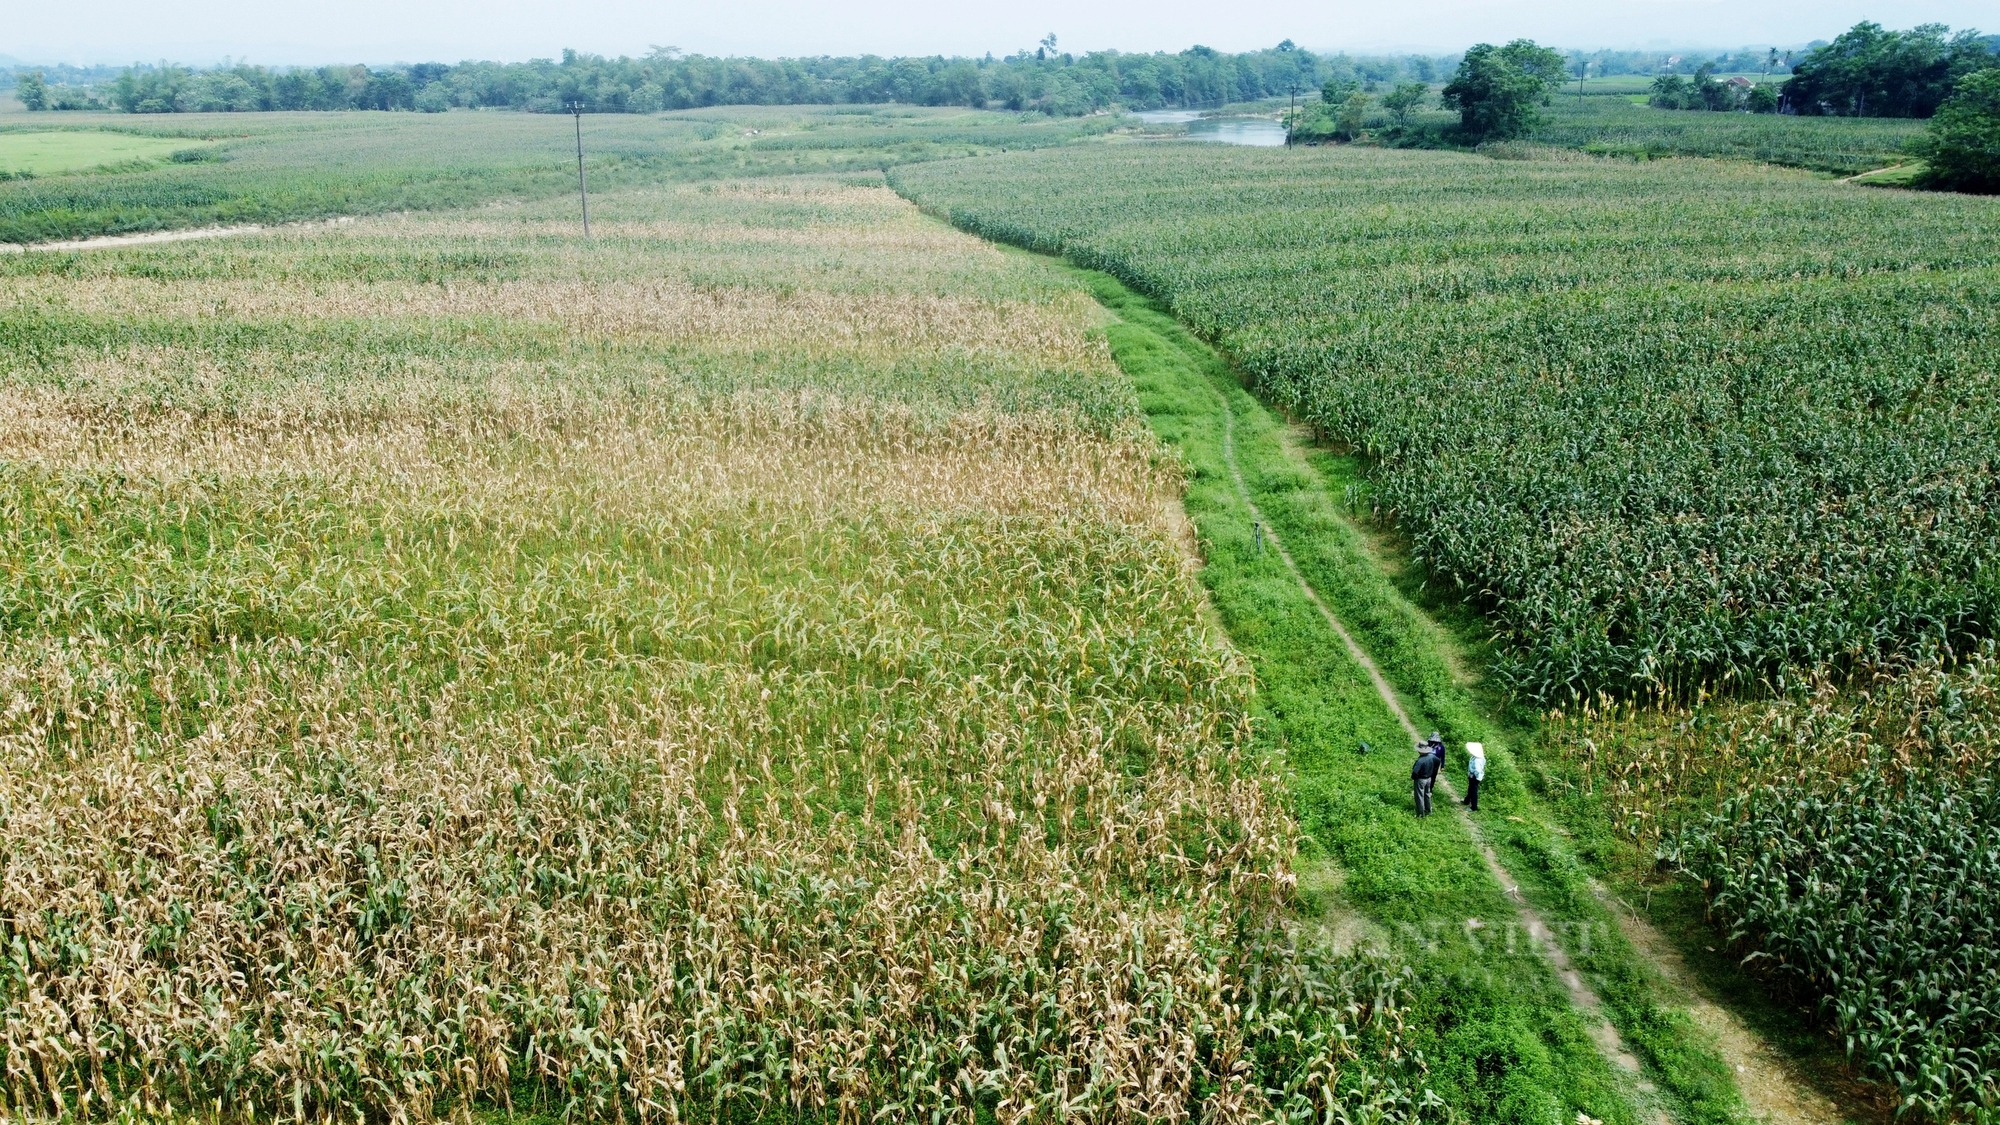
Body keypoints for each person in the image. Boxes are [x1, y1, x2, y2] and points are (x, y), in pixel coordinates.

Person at [1411, 742, 1440, 816]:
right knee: (1427, 794)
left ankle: (1421, 813)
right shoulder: (1431, 756)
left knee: (1419, 796)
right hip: (1429, 779)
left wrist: (1414, 778)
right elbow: (1438, 761)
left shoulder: (1420, 760)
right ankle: (1429, 810)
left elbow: (1415, 772)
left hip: (1421, 779)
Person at [1463, 742, 1486, 811]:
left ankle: (1474, 807)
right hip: (1474, 776)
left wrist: (1474, 776)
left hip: (1475, 777)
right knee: (1470, 789)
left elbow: (1478, 770)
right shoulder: (1479, 757)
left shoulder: (1477, 760)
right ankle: (1466, 800)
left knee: (1473, 791)